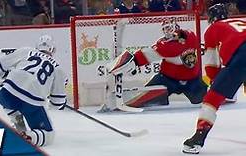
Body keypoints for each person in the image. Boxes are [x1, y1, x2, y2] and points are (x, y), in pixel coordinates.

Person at [100, 18, 207, 112]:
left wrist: (133, 62)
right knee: (141, 98)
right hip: (167, 80)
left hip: (192, 81)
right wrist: (129, 63)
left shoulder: (188, 38)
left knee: (210, 100)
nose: (167, 31)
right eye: (165, 29)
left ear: (176, 27)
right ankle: (114, 104)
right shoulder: (164, 45)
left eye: (169, 28)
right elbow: (142, 56)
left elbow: (175, 48)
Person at [182, 3, 246, 154]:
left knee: (212, 98)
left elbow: (211, 64)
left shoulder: (212, 29)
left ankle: (198, 138)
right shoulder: (242, 21)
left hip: (241, 57)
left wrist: (215, 82)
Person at [0, 35, 68, 146]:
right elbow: (57, 104)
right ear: (53, 50)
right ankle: (28, 137)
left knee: (6, 92)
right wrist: (59, 101)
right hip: (31, 102)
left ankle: (18, 124)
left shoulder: (26, 51)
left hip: (5, 93)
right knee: (48, 135)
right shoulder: (58, 69)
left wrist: (7, 75)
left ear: (36, 46)